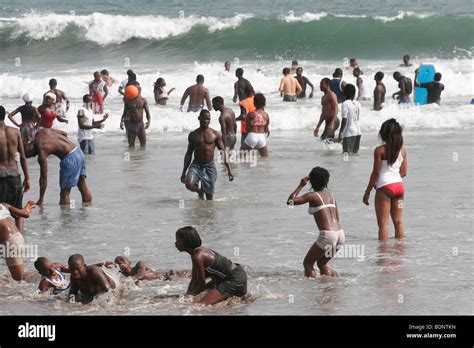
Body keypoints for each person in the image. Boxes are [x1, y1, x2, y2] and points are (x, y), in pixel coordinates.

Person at [287, 167, 344, 277]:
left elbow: (290, 202)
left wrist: (301, 185)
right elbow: (337, 218)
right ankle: (328, 289)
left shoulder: (312, 196)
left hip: (328, 235)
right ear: (326, 181)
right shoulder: (331, 195)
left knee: (308, 264)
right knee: (322, 263)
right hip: (340, 234)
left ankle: (312, 292)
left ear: (311, 181)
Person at [175, 226, 247, 305]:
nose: (175, 243)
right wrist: (187, 296)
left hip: (235, 278)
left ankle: (233, 293)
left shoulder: (198, 256)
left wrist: (192, 298)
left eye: (178, 240)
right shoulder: (195, 254)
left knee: (201, 305)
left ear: (186, 241)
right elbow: (194, 280)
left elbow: (201, 284)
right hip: (227, 278)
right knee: (199, 296)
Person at [363, 119, 407, 240]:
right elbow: (403, 172)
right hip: (399, 187)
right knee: (398, 222)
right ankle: (400, 251)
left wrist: (368, 191)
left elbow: (376, 172)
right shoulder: (403, 151)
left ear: (384, 134)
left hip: (385, 188)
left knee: (383, 224)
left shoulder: (379, 150)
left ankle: (383, 255)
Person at [24, 128, 92, 206]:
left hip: (70, 158)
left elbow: (43, 179)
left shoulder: (42, 151)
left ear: (29, 148)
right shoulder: (41, 132)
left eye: (31, 155)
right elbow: (64, 133)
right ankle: (87, 211)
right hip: (78, 151)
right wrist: (63, 146)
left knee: (64, 193)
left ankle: (66, 217)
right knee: (83, 186)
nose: (34, 155)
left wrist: (41, 199)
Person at [181, 110, 233, 200]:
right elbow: (189, 154)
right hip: (196, 165)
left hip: (210, 167)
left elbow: (223, 152)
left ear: (210, 120)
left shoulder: (215, 134)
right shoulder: (193, 135)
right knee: (189, 184)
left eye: (207, 119)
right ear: (199, 118)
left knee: (209, 199)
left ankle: (205, 212)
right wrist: (183, 172)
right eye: (203, 118)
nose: (205, 121)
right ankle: (200, 190)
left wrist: (229, 169)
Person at [0, 105, 30, 232]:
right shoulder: (15, 132)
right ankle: (20, 239)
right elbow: (23, 157)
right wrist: (27, 178)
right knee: (18, 213)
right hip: (15, 176)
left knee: (0, 211)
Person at [0, 201, 35, 281]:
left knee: (19, 278)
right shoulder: (4, 205)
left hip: (9, 244)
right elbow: (25, 214)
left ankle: (27, 291)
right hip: (18, 238)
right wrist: (27, 208)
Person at [113, 256, 190, 283]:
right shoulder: (121, 274)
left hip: (168, 276)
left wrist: (132, 281)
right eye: (117, 262)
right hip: (162, 281)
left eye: (122, 259)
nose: (120, 261)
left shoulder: (139, 265)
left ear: (129, 262)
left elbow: (142, 275)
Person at [120, 82, 151, 147]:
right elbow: (124, 113)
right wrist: (121, 121)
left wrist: (149, 122)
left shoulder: (143, 100)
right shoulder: (128, 101)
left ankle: (141, 157)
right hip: (131, 125)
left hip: (140, 125)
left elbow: (147, 112)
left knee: (143, 146)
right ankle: (132, 157)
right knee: (131, 146)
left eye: (138, 89)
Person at [338, 84, 361, 154]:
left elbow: (344, 120)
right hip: (358, 132)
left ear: (344, 93)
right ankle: (355, 165)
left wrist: (341, 132)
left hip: (349, 132)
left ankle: (346, 165)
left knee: (346, 155)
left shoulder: (345, 104)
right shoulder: (358, 103)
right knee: (354, 154)